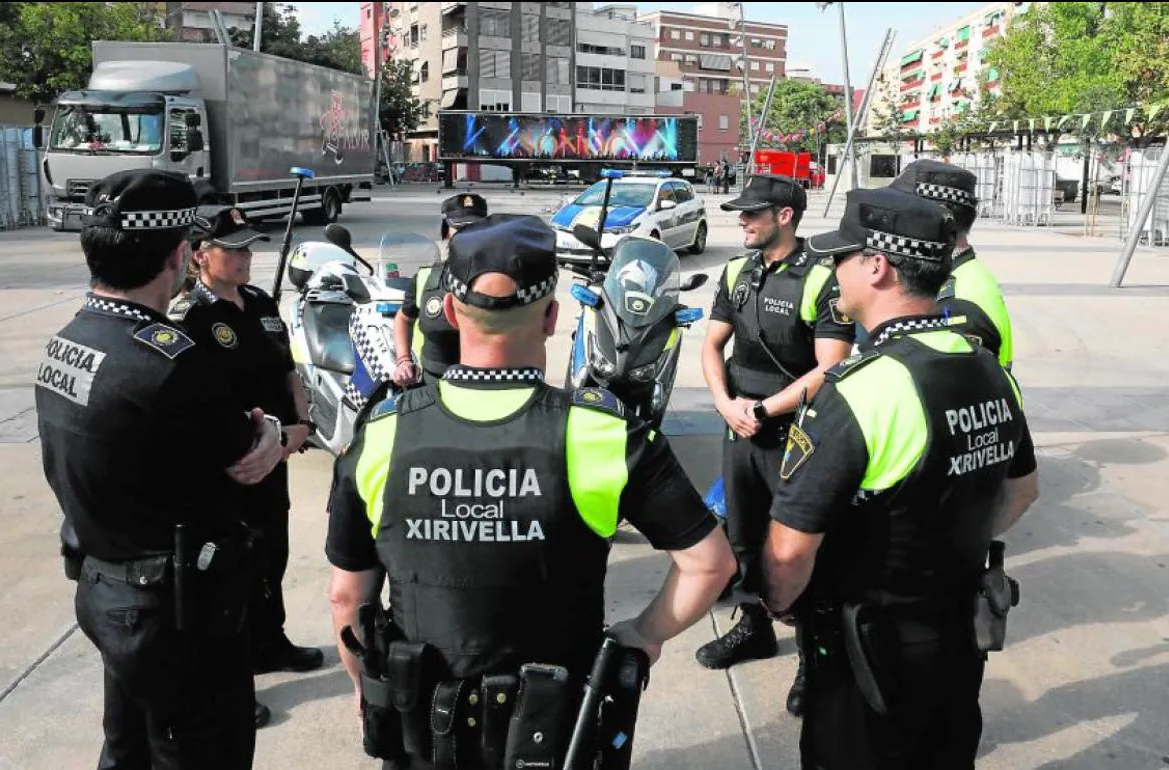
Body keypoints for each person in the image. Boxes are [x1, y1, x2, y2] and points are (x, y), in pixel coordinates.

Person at [325, 213, 737, 770]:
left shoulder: (382, 433)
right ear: (550, 317)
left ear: (449, 312)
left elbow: (348, 599)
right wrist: (643, 635)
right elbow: (710, 564)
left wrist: (368, 689)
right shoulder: (604, 433)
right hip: (556, 733)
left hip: (424, 730)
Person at [763, 186, 1040, 769]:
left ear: (877, 266)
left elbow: (789, 554)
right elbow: (1021, 489)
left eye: (841, 257)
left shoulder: (863, 390)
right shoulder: (988, 368)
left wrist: (781, 602)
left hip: (869, 650)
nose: (832, 271)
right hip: (960, 635)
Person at [34, 169, 287, 769]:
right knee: (201, 752)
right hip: (176, 613)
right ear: (179, 253)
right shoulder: (169, 363)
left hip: (106, 587)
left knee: (126, 749)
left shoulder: (70, 339)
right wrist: (274, 431)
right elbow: (248, 456)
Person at [696, 174, 855, 716]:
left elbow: (831, 366)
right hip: (739, 426)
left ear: (784, 217)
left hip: (796, 437)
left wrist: (763, 410)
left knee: (799, 546)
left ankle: (814, 655)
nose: (741, 221)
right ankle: (754, 627)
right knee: (742, 534)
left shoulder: (821, 278)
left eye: (751, 213)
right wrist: (725, 403)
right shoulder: (736, 271)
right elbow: (713, 345)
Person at [168, 205, 324, 729]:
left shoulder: (259, 302)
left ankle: (269, 642)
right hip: (229, 466)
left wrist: (301, 424)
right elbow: (196, 401)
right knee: (230, 572)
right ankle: (230, 681)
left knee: (271, 553)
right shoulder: (188, 313)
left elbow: (287, 369)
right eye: (233, 249)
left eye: (248, 247)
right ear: (199, 256)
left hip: (275, 455)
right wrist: (259, 444)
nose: (245, 257)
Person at [890, 159, 1015, 369]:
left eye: (901, 212)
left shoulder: (958, 303)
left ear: (934, 218)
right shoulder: (951, 276)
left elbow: (954, 393)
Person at [391, 193, 488, 388]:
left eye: (474, 229)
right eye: (459, 229)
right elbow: (403, 318)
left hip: (484, 384)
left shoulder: (500, 280)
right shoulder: (426, 278)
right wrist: (403, 360)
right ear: (445, 231)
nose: (467, 236)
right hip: (430, 384)